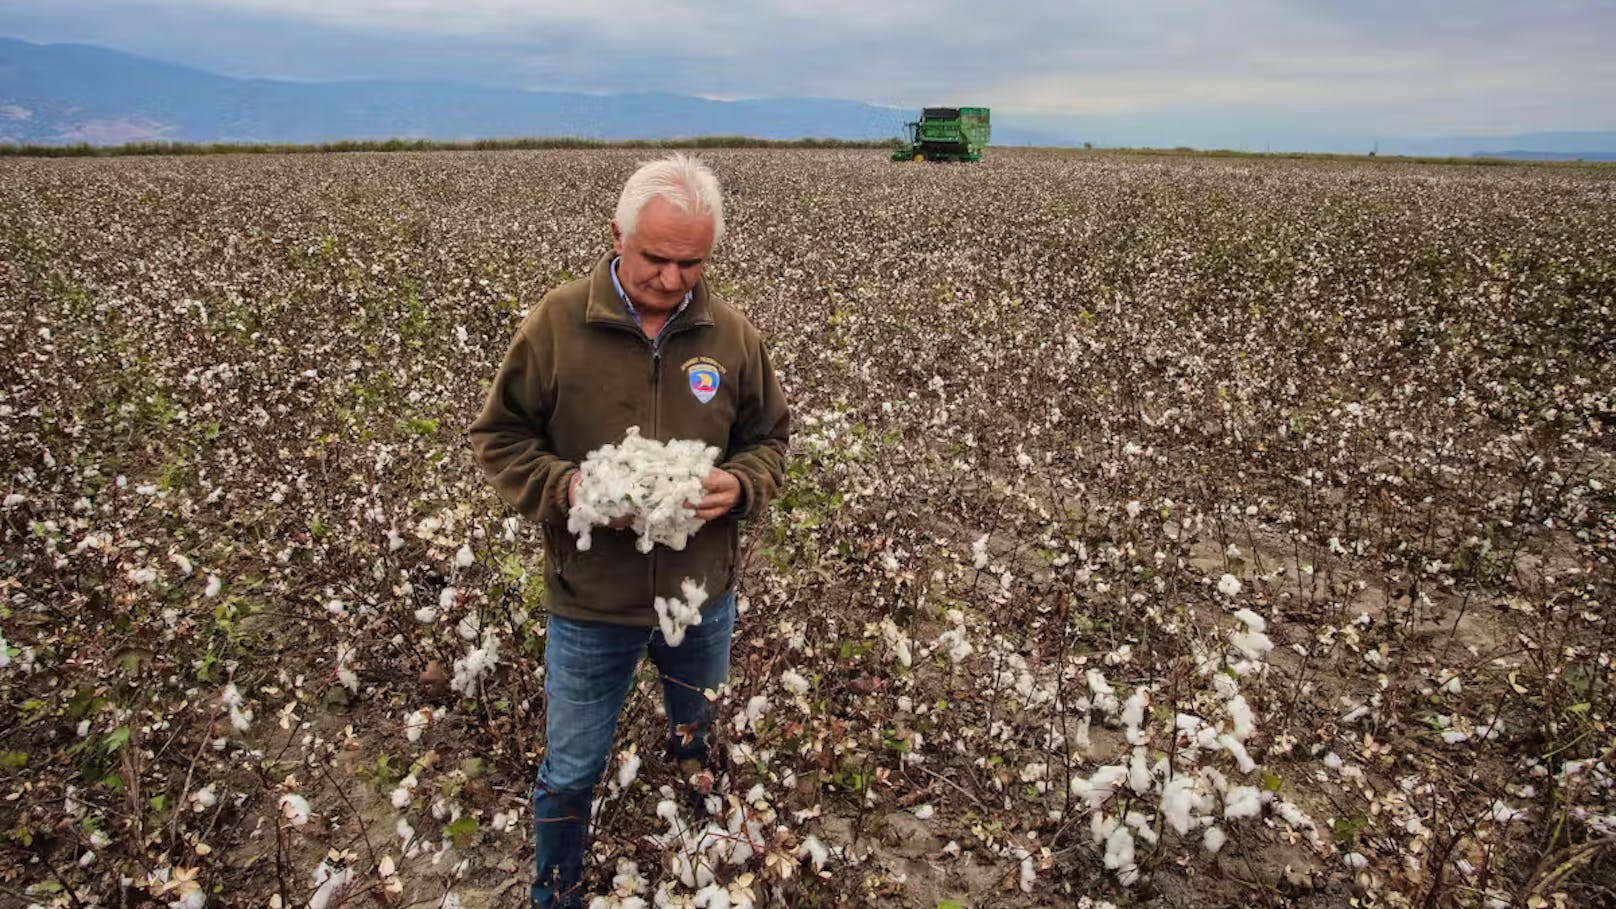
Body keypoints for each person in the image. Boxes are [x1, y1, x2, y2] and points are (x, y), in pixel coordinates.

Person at [467, 153, 790, 909]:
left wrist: (740, 484)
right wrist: (569, 488)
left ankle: (702, 835)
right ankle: (557, 890)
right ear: (617, 234)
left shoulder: (731, 338)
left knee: (696, 725)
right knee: (572, 765)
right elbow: (499, 435)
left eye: (693, 262)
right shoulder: (557, 325)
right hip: (590, 602)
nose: (675, 279)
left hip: (700, 596)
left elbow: (771, 437)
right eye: (657, 258)